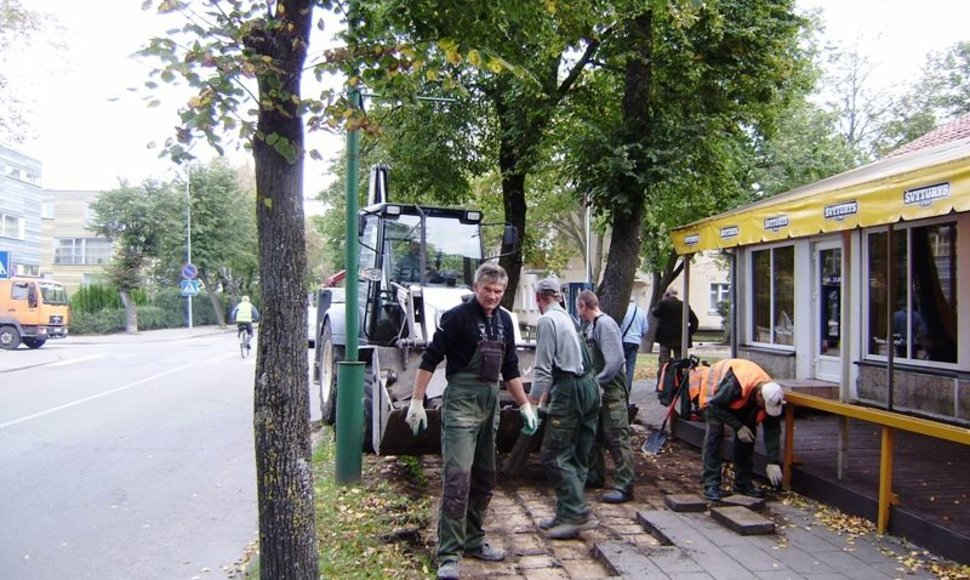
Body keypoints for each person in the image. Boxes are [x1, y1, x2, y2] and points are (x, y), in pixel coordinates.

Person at [404, 263, 536, 580]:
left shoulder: (505, 321)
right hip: (461, 402)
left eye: (498, 292)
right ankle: (449, 554)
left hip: (489, 403)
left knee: (485, 477)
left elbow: (511, 369)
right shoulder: (457, 317)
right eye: (487, 290)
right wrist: (417, 400)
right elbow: (430, 358)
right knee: (457, 480)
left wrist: (525, 405)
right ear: (476, 287)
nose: (492, 296)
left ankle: (474, 540)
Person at [528, 277, 601, 540]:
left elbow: (543, 369)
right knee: (578, 454)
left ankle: (576, 514)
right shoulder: (569, 318)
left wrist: (533, 405)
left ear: (539, 299)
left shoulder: (548, 321)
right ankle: (565, 513)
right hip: (590, 387)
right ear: (558, 296)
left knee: (554, 455)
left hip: (570, 390)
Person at [692, 358, 785, 501]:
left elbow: (772, 429)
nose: (766, 409)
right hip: (714, 400)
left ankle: (742, 482)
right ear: (759, 395)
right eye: (765, 405)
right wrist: (738, 426)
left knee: (748, 437)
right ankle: (712, 484)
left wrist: (773, 461)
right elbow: (714, 407)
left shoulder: (771, 394)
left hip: (740, 400)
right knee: (714, 438)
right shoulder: (735, 383)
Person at [576, 290, 635, 504]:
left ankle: (625, 486)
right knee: (593, 436)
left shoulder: (605, 324)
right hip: (599, 393)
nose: (579, 313)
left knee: (617, 438)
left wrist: (596, 382)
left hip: (612, 393)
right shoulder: (591, 327)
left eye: (579, 308)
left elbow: (615, 361)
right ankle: (594, 476)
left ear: (583, 305)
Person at [652, 287, 698, 367]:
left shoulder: (664, 304)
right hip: (680, 338)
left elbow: (656, 313)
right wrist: (688, 332)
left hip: (665, 338)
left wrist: (662, 300)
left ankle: (663, 378)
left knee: (664, 361)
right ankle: (679, 378)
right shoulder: (684, 305)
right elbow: (694, 321)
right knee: (680, 361)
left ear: (667, 294)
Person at [619, 299, 650, 391]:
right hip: (635, 341)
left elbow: (619, 326)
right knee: (630, 365)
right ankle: (628, 387)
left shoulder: (623, 311)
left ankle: (620, 386)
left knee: (620, 364)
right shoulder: (641, 312)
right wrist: (640, 336)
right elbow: (645, 328)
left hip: (624, 340)